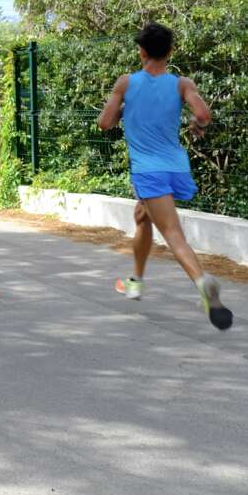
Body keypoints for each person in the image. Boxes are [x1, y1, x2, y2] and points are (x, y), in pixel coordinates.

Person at [97, 22, 232, 330]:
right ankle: (136, 282)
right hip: (176, 166)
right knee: (142, 217)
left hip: (148, 170)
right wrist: (199, 126)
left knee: (172, 233)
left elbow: (104, 123)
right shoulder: (181, 83)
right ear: (170, 52)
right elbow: (203, 114)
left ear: (141, 51)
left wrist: (120, 111)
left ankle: (203, 283)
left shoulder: (126, 82)